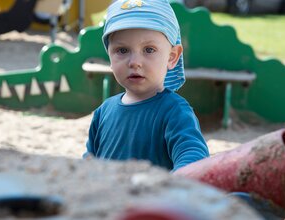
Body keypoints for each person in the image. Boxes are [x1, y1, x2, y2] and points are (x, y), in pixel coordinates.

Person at [84, 0, 209, 171]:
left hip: (153, 196)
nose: (135, 62)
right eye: (122, 50)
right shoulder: (103, 112)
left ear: (172, 57)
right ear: (110, 57)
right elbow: (89, 161)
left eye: (149, 50)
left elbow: (193, 156)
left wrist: (173, 181)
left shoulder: (175, 111)